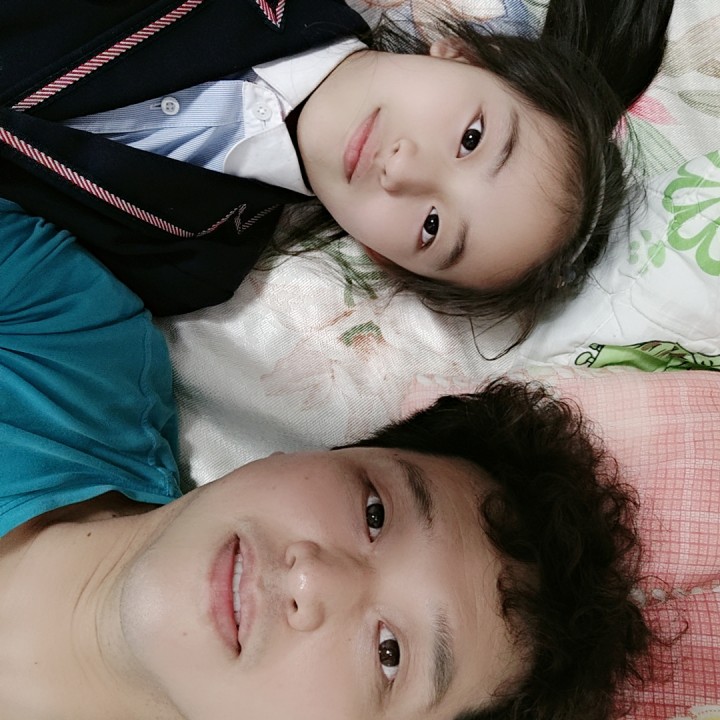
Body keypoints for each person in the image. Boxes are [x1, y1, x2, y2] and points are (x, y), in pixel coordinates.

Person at [0, 198, 649, 720]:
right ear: (328, 453)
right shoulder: (60, 333)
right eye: (375, 513)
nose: (312, 579)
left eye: (390, 654)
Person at [0, 0, 673, 338]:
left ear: (384, 258)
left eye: (433, 227)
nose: (403, 170)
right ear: (466, 55)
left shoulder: (190, 267)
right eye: (471, 138)